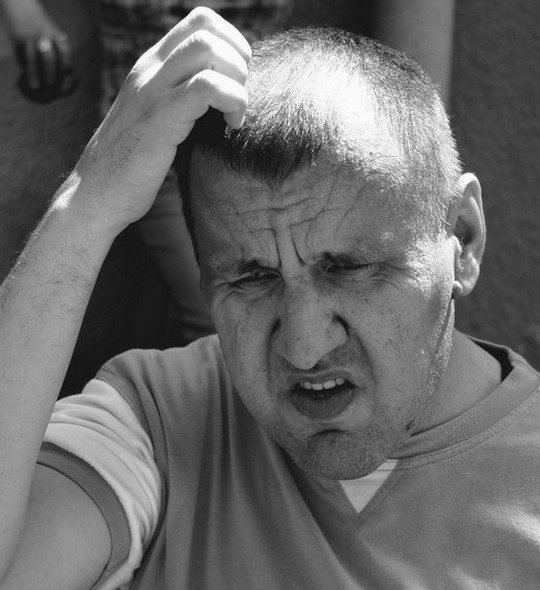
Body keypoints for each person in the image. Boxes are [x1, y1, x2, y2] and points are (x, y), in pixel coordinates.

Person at [0, 7, 539, 589]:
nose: (303, 347)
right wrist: (88, 203)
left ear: (462, 240)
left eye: (347, 268)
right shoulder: (158, 420)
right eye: (251, 278)